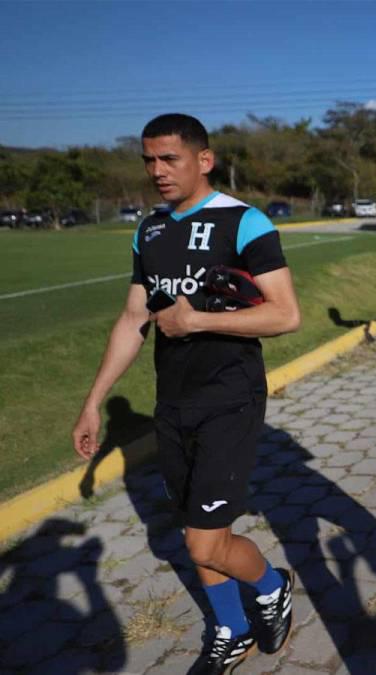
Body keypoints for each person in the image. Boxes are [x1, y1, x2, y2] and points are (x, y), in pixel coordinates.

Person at [72, 114, 301, 675]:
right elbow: (133, 319)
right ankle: (231, 627)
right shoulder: (148, 230)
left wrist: (196, 320)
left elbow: (286, 314)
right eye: (148, 160)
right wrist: (94, 401)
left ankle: (272, 588)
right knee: (197, 528)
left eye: (169, 159)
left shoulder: (244, 223)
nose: (157, 171)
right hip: (172, 404)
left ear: (204, 160)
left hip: (230, 400)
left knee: (201, 544)